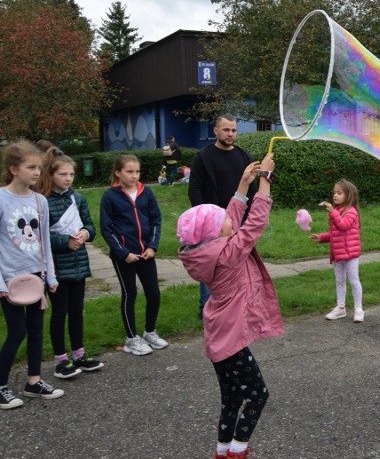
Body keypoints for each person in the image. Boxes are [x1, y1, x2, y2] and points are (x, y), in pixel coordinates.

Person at [178, 154, 283, 459]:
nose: (228, 219)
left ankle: (222, 451)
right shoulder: (228, 254)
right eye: (223, 221)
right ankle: (237, 452)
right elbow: (253, 225)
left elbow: (232, 218)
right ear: (216, 234)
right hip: (232, 340)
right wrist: (265, 179)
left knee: (232, 399)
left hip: (218, 337)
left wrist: (243, 184)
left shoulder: (207, 250)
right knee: (258, 395)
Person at [0, 142, 64, 410]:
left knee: (36, 331)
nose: (37, 172)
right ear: (14, 169)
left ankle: (33, 382)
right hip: (10, 280)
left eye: (39, 167)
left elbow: (44, 241)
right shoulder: (1, 198)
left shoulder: (41, 201)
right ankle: (1, 385)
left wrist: (50, 276)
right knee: (18, 331)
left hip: (36, 278)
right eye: (31, 167)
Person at [39, 148, 103, 379]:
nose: (68, 179)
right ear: (51, 175)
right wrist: (65, 241)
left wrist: (86, 234)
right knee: (60, 312)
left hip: (79, 262)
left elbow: (90, 226)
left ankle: (79, 354)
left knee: (77, 310)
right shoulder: (42, 201)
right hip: (57, 265)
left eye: (71, 175)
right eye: (63, 174)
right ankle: (60, 360)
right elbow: (40, 236)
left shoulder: (78, 198)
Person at [100, 154, 168, 356]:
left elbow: (156, 220)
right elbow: (107, 228)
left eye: (137, 171)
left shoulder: (146, 193)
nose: (134, 175)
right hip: (125, 257)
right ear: (118, 173)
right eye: (129, 171)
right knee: (130, 293)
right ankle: (131, 338)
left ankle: (150, 332)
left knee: (153, 293)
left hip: (146, 253)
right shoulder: (110, 196)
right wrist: (122, 253)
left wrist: (152, 247)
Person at [189, 116, 255, 316]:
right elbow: (195, 190)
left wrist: (250, 218)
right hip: (213, 226)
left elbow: (251, 190)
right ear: (216, 131)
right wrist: (205, 221)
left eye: (234, 130)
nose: (231, 134)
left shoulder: (244, 157)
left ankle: (238, 305)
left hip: (240, 223)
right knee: (211, 267)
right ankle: (207, 307)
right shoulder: (203, 157)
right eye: (226, 130)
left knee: (240, 265)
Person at [310, 179, 364, 323]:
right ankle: (341, 308)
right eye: (334, 192)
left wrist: (332, 212)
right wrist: (321, 237)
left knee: (353, 281)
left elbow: (343, 226)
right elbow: (336, 234)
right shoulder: (338, 211)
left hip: (350, 254)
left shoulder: (351, 212)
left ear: (349, 195)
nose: (335, 195)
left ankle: (358, 309)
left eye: (339, 193)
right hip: (338, 254)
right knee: (339, 281)